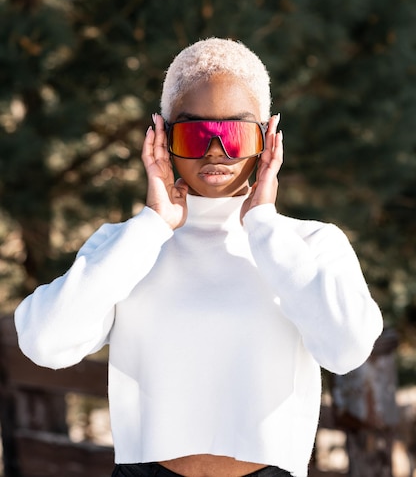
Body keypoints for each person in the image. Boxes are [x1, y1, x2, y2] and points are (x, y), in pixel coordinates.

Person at [14, 37, 383, 477]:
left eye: (234, 132)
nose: (215, 150)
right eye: (195, 132)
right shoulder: (128, 245)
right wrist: (152, 225)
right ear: (162, 135)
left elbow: (347, 350)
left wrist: (262, 224)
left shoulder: (311, 244)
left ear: (268, 137)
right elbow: (43, 342)